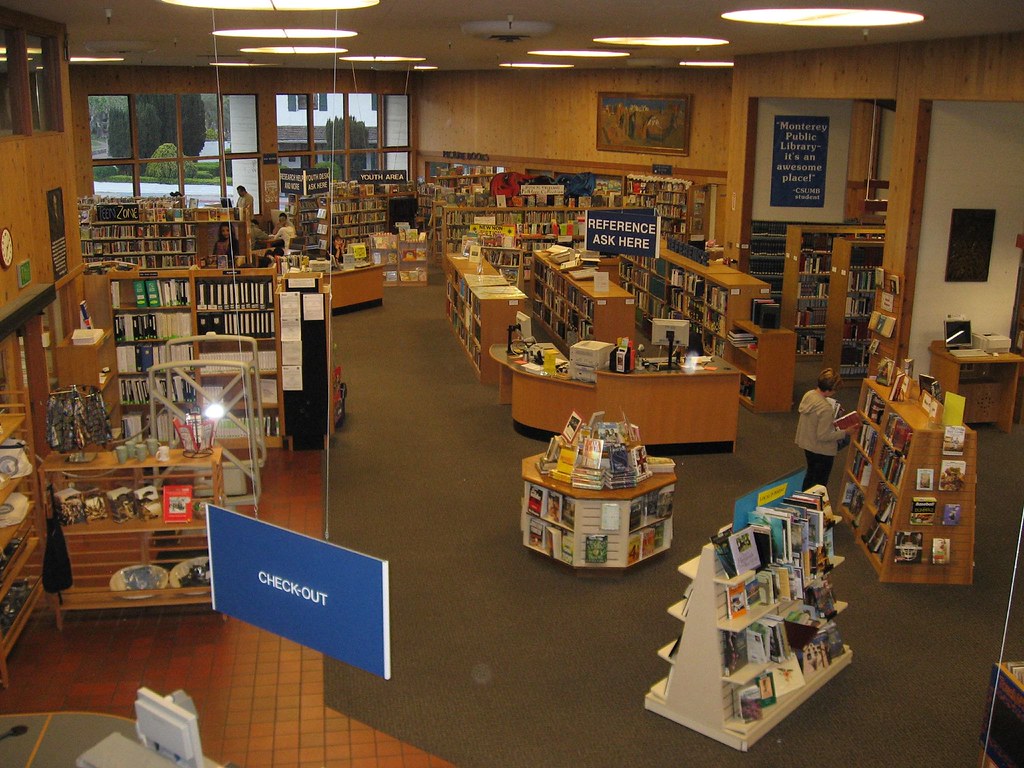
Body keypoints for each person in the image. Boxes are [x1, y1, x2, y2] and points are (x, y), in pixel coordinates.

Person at [795, 367, 859, 492]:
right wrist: (845, 432)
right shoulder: (825, 409)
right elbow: (824, 436)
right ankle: (813, 506)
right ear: (830, 390)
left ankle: (804, 499)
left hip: (807, 443)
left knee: (811, 474)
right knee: (820, 483)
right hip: (821, 450)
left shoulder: (809, 395)